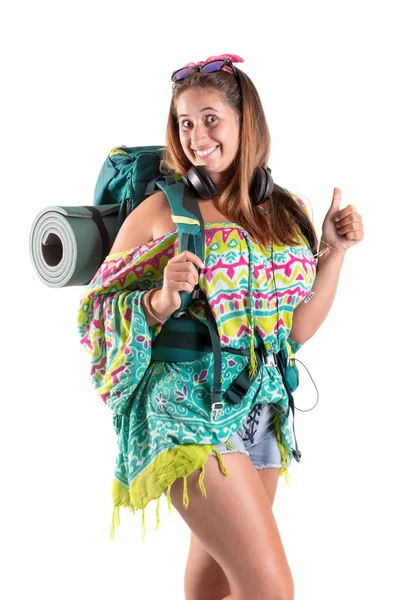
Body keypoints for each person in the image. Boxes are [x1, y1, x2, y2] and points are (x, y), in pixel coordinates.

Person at [77, 54, 364, 600]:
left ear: (244, 122)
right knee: (270, 590)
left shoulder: (286, 214)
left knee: (211, 586)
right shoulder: (163, 212)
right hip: (185, 412)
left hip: (260, 413)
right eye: (185, 123)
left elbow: (294, 331)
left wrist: (335, 255)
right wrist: (160, 301)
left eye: (210, 118)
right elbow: (95, 317)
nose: (196, 136)